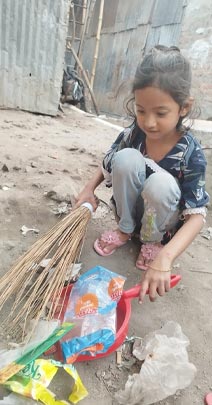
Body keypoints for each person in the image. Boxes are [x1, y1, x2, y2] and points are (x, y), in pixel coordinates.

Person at [75, 45, 209, 304]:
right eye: (140, 110)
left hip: (161, 223)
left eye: (160, 113)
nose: (148, 122)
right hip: (132, 212)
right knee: (124, 158)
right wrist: (88, 189)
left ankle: (151, 243)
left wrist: (166, 257)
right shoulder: (133, 134)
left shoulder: (190, 154)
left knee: (161, 183)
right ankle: (125, 230)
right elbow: (107, 163)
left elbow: (197, 217)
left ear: (184, 107)